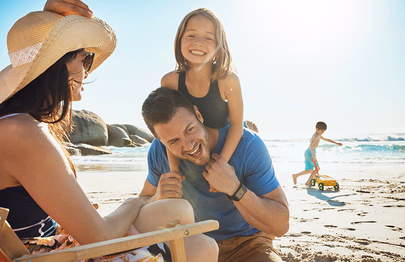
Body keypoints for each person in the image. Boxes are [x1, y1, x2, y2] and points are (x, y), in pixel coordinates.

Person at [0, 9, 217, 262]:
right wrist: (133, 203)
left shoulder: (16, 123)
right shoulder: (23, 133)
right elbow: (100, 238)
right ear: (58, 64)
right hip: (49, 255)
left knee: (179, 209)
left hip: (53, 244)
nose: (86, 71)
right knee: (202, 247)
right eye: (85, 60)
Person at [140, 87, 289, 262]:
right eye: (173, 141)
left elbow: (281, 226)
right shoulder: (158, 152)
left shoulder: (249, 145)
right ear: (161, 141)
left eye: (189, 129)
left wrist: (235, 189)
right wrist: (157, 197)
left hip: (247, 244)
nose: (188, 145)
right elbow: (142, 201)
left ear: (198, 114)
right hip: (192, 244)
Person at [161, 8, 258, 184]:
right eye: (191, 35)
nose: (198, 42)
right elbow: (169, 129)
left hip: (225, 128)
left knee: (244, 127)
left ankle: (249, 124)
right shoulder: (170, 82)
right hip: (196, 137)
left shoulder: (228, 80)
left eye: (208, 38)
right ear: (179, 41)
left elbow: (236, 126)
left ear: (219, 46)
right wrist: (174, 172)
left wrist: (221, 166)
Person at [292, 121, 343, 186]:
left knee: (310, 170)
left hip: (308, 152)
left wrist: (336, 143)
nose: (322, 133)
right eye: (321, 131)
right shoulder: (316, 136)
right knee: (317, 168)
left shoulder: (318, 135)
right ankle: (308, 182)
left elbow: (327, 139)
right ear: (317, 129)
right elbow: (311, 145)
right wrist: (313, 154)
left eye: (323, 132)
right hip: (310, 152)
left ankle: (296, 175)